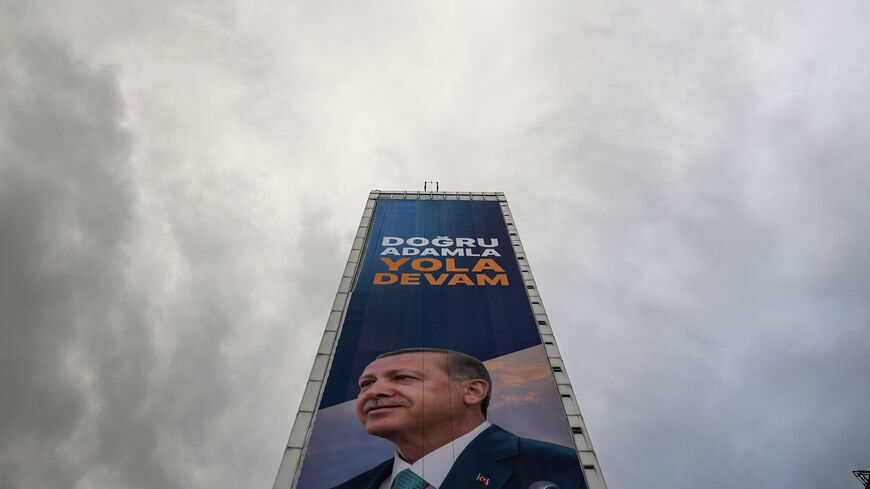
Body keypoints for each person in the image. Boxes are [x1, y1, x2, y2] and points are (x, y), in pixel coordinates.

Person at [330, 348, 587, 489]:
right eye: (366, 384)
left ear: (472, 391)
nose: (374, 392)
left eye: (403, 378)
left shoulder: (565, 470)